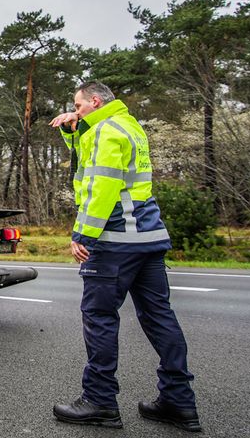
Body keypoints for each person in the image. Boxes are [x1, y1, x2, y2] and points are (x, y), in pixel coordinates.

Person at [49, 82, 200, 432]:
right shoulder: (128, 126)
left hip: (115, 238)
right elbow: (90, 160)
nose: (76, 110)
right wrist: (75, 129)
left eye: (79, 104)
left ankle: (100, 401)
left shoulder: (104, 131)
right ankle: (178, 401)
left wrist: (83, 233)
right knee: (159, 316)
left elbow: (100, 186)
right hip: (148, 236)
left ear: (95, 101)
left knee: (99, 316)